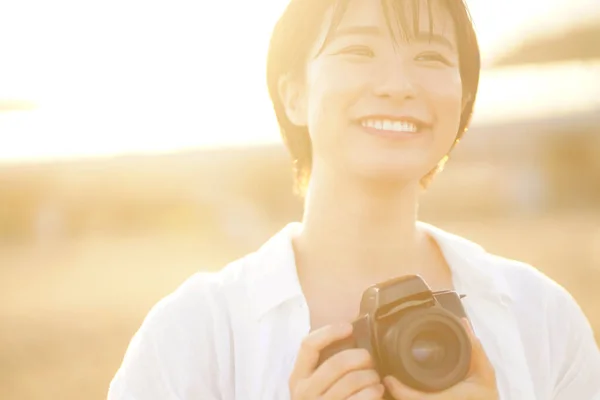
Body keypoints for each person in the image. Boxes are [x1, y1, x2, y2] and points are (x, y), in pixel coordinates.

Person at [107, 0, 600, 399]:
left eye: (429, 58)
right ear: (293, 94)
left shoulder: (541, 317)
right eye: (358, 51)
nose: (398, 86)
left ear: (464, 99)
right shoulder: (196, 334)